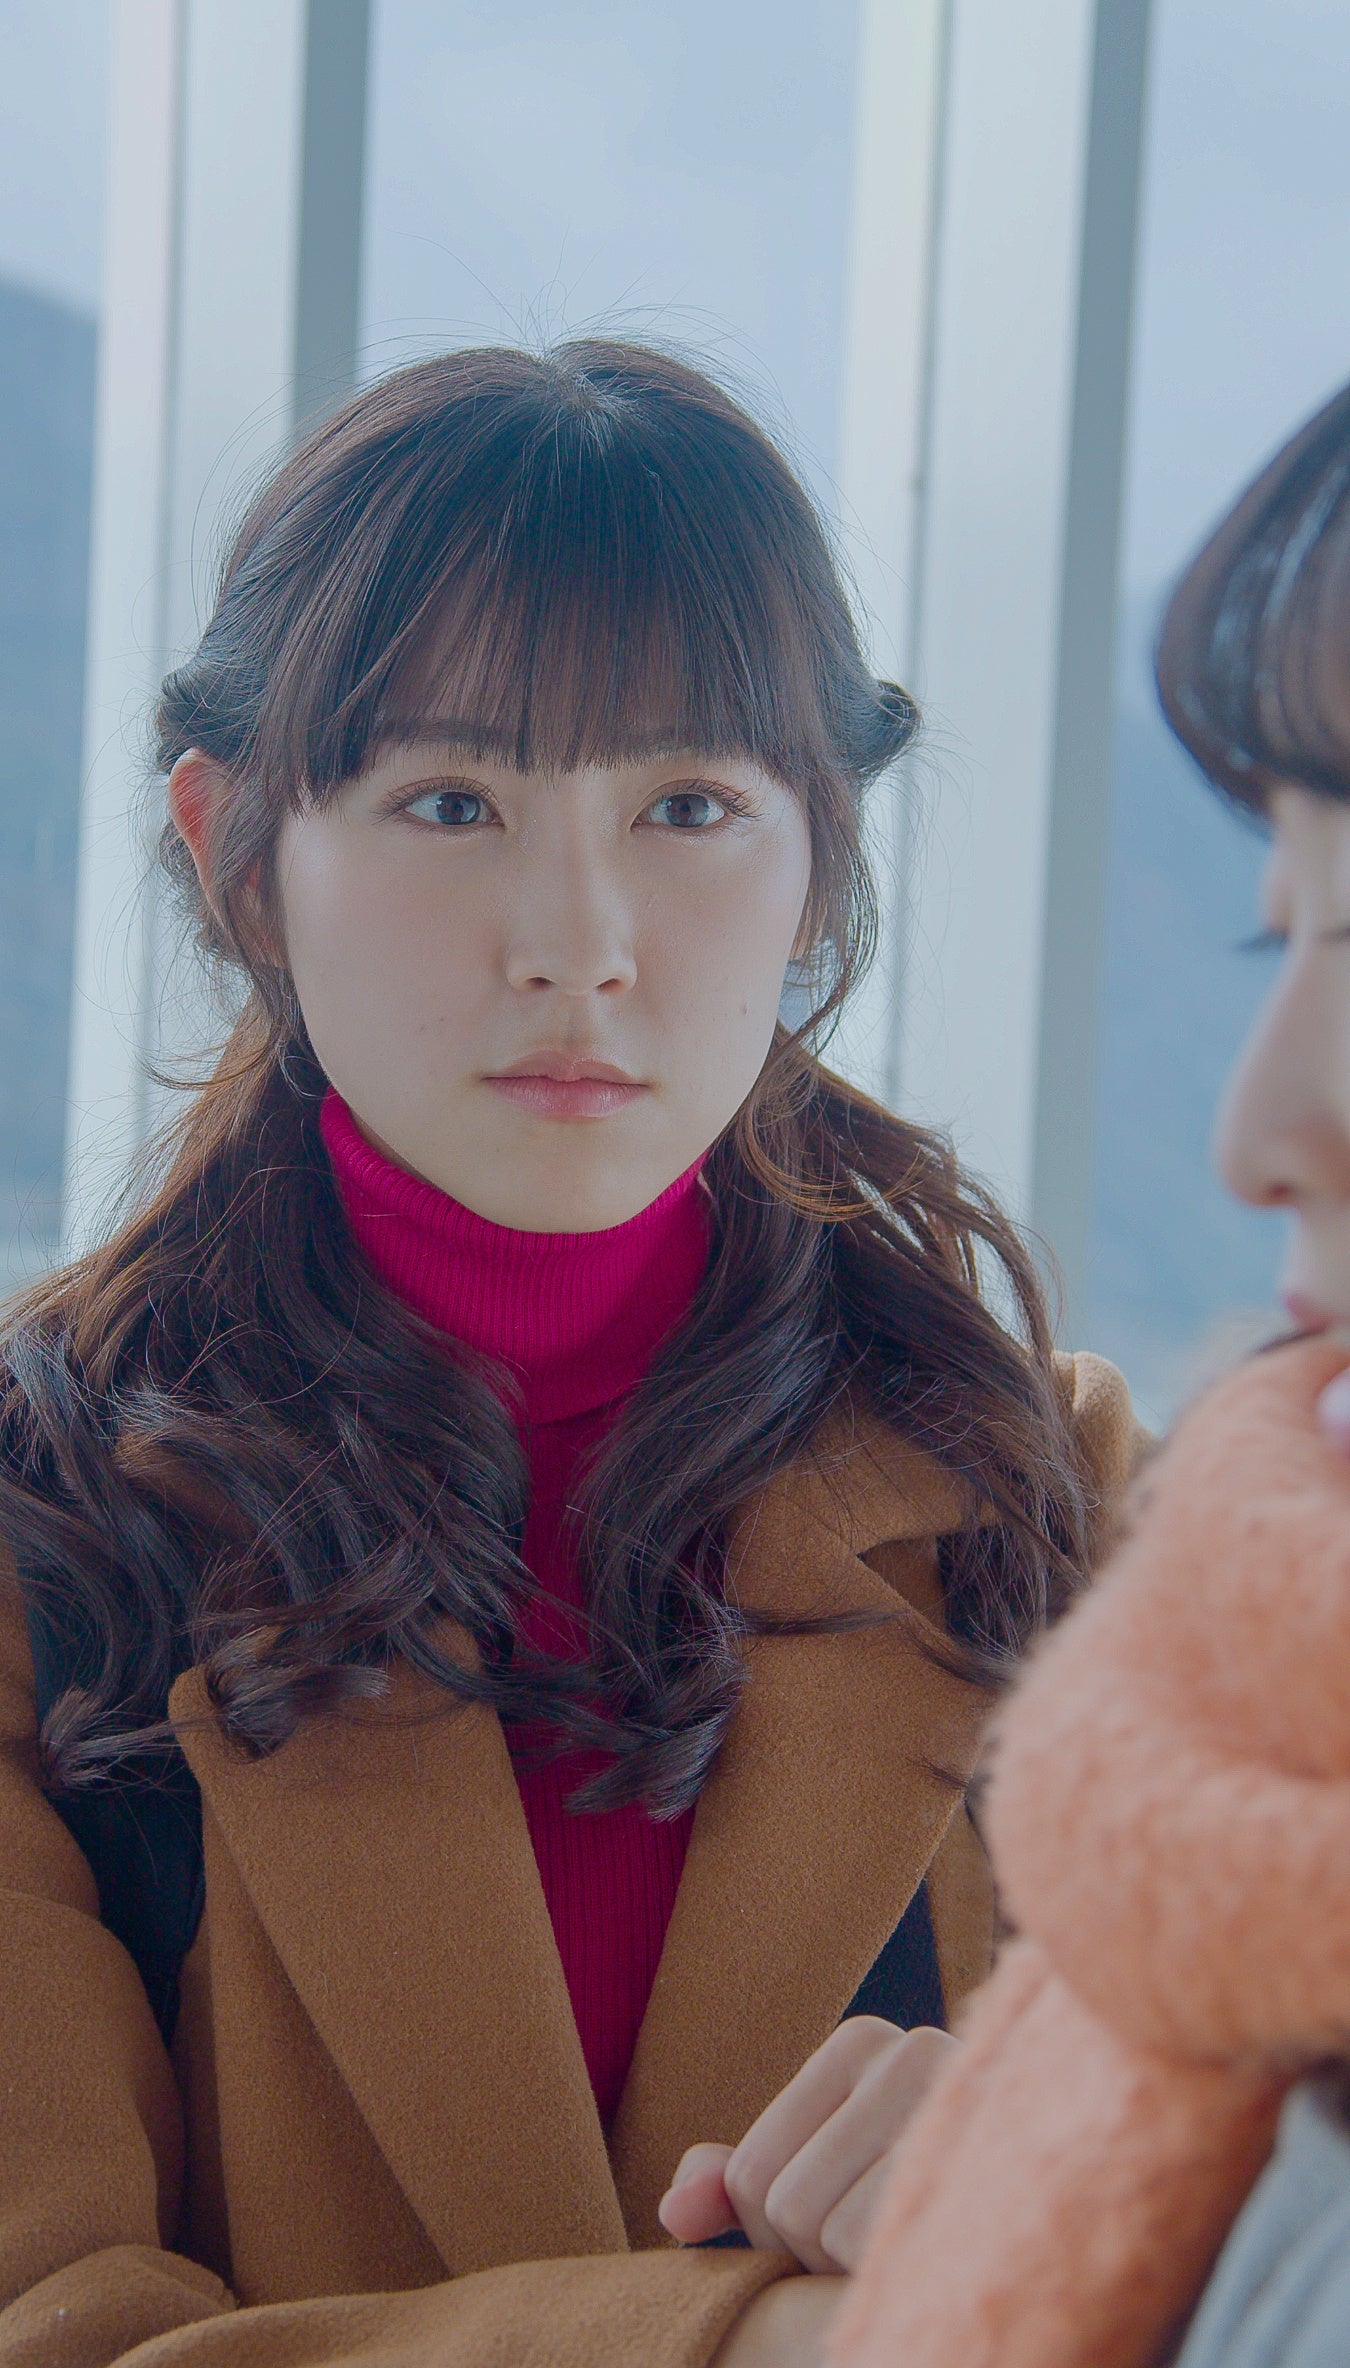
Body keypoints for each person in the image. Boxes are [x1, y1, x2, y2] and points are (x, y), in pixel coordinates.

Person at [0, 340, 1133, 2368]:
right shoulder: (37, 1521)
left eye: (688, 804)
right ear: (236, 848)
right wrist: (770, 2337)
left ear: (819, 859)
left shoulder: (1051, 1500)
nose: (578, 943)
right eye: (451, 801)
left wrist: (1077, 2178)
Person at [831, 375, 1350, 2368]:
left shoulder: (1044, 1475)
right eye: (1276, 937)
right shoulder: (1213, 1713)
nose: (1252, 1131)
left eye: (691, 805)